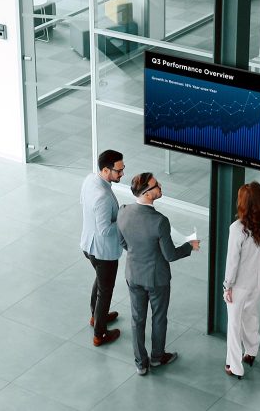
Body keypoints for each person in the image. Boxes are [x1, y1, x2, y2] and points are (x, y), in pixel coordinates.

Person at [117, 172, 200, 375]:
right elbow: (170, 255)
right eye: (156, 186)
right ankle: (156, 357)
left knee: (137, 319)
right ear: (146, 193)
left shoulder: (123, 211)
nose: (160, 186)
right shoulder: (160, 221)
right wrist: (190, 246)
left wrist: (140, 253)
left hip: (133, 274)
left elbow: (122, 242)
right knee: (159, 317)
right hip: (157, 279)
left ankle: (140, 363)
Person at [223, 181, 260, 379]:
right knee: (251, 314)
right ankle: (252, 351)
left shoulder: (237, 228)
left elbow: (232, 261)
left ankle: (235, 366)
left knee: (234, 324)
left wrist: (227, 285)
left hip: (239, 284)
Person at [80, 149, 125, 347]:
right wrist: (122, 216)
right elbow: (106, 230)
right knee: (106, 290)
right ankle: (100, 334)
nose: (122, 174)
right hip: (103, 251)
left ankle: (96, 316)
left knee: (100, 282)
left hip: (88, 244)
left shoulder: (90, 180)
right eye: (119, 171)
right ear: (106, 171)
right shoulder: (103, 197)